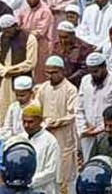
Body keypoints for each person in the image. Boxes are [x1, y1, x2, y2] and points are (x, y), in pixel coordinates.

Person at [34, 56, 78, 190]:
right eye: (48, 73)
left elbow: (72, 114)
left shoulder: (70, 89)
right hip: (46, 135)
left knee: (64, 177)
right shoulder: (43, 88)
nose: (50, 76)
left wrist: (56, 122)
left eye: (53, 72)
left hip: (63, 138)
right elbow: (36, 108)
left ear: (62, 71)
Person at [76, 52, 112, 159]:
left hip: (108, 132)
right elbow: (79, 108)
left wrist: (100, 129)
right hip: (87, 133)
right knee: (89, 163)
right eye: (91, 72)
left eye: (96, 71)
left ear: (104, 67)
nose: (93, 75)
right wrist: (83, 128)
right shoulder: (85, 81)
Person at [8, 104, 60, 194]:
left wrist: (29, 182)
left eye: (30, 122)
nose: (26, 125)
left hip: (43, 190)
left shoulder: (50, 141)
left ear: (40, 120)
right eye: (24, 122)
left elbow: (51, 171)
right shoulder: (19, 138)